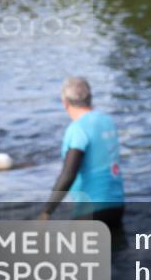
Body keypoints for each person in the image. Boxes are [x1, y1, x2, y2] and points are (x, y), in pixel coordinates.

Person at [38, 77, 125, 233]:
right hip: (116, 206)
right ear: (90, 98)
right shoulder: (108, 121)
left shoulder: (77, 129)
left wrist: (47, 211)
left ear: (65, 102)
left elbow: (68, 174)